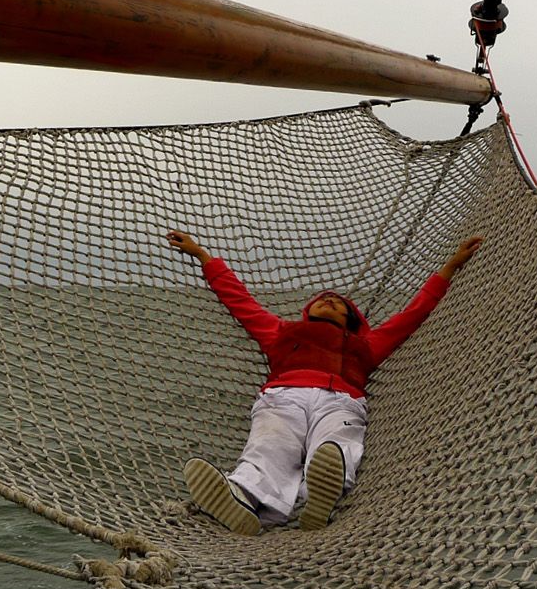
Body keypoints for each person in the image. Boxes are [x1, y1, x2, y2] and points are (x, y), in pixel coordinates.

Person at [165, 229, 484, 534]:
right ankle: (243, 496)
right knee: (270, 443)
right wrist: (204, 256)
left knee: (334, 443)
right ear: (308, 311)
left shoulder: (367, 344)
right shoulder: (280, 331)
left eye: (339, 303)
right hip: (283, 397)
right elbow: (240, 300)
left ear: (351, 319)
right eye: (323, 299)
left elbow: (411, 315)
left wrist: (450, 267)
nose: (330, 300)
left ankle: (319, 494)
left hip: (340, 400)